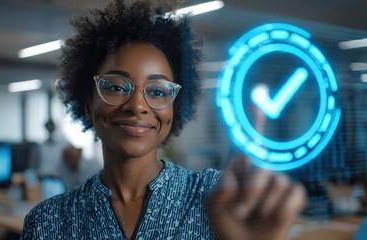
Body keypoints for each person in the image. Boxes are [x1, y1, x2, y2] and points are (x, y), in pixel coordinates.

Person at [20, 0, 306, 239]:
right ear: (87, 103)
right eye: (117, 87)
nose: (137, 106)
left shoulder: (219, 199)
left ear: (174, 109)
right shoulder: (48, 223)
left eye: (157, 91)